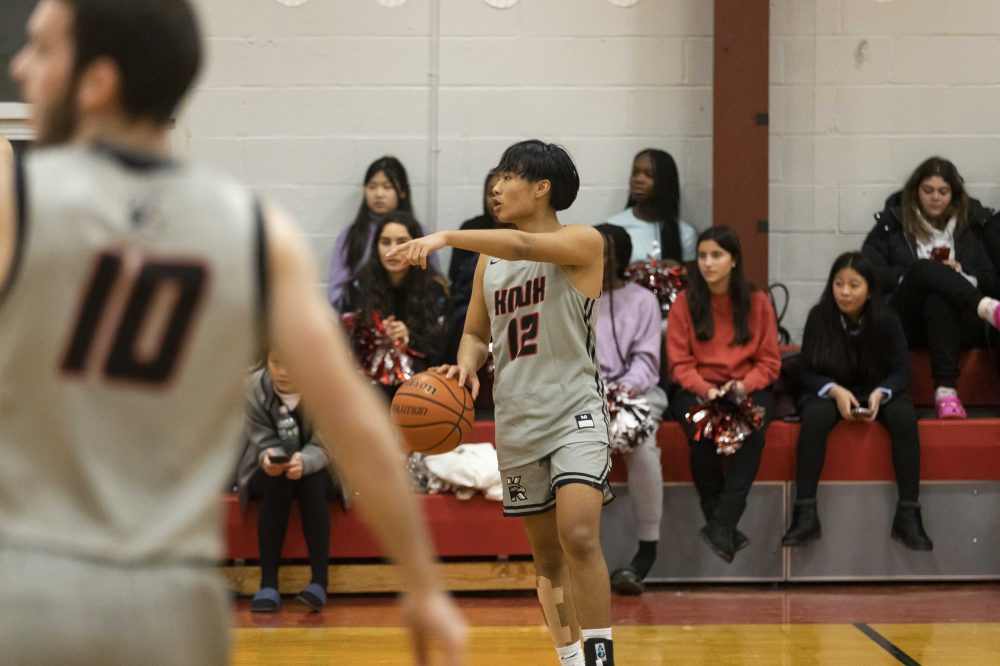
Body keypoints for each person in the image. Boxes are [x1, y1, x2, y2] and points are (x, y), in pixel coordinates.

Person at [0, 2, 466, 664]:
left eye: (41, 48)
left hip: (31, 589)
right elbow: (356, 423)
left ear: (99, 81)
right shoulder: (254, 231)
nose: (20, 66)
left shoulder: (18, 201)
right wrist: (423, 588)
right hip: (174, 606)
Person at [390, 140, 616, 666]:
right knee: (546, 557)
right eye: (494, 177)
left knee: (579, 533)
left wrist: (445, 235)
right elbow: (475, 330)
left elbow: (521, 245)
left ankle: (601, 660)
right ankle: (570, 658)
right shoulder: (488, 264)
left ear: (543, 188)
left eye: (508, 176)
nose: (496, 186)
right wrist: (466, 365)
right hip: (517, 419)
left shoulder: (583, 242)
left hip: (574, 411)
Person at [782, 252, 932, 551]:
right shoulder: (819, 316)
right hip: (831, 388)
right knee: (814, 417)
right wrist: (834, 391)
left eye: (854, 285)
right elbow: (806, 369)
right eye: (839, 284)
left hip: (877, 390)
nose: (845, 292)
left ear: (869, 289)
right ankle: (805, 513)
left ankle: (909, 514)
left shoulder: (888, 319)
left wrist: (881, 393)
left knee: (905, 417)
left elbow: (902, 371)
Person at [666, 226, 781, 563]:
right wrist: (709, 390)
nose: (708, 263)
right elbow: (679, 364)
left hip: (746, 386)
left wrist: (741, 386)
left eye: (716, 255)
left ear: (733, 260)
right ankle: (721, 524)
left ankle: (722, 522)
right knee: (701, 435)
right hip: (698, 388)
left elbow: (769, 362)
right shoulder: (686, 302)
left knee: (753, 433)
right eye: (702, 256)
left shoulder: (757, 301)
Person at [861, 156, 1000, 419]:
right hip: (906, 321)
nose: (935, 198)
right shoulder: (892, 224)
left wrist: (963, 275)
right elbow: (868, 272)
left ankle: (946, 392)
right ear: (915, 191)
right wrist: (911, 275)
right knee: (924, 269)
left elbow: (992, 278)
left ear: (954, 194)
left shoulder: (973, 226)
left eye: (943, 192)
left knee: (939, 296)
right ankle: (989, 309)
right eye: (928, 191)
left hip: (959, 322)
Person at [237, 352, 345, 613]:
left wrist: (304, 462)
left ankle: (319, 582)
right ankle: (268, 584)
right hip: (267, 467)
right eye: (276, 362)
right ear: (267, 362)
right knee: (277, 482)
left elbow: (326, 442)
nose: (284, 371)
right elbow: (259, 436)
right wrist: (269, 456)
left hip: (320, 466)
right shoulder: (252, 388)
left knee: (313, 483)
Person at [593, 224, 667, 596]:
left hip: (637, 392)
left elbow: (647, 361)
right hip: (587, 394)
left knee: (644, 448)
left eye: (604, 252)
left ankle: (646, 552)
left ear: (619, 258)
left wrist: (622, 390)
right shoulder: (575, 296)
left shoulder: (643, 301)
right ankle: (587, 556)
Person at [340, 212, 448, 398]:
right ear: (376, 246)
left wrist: (409, 339)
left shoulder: (435, 288)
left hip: (419, 380)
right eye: (385, 242)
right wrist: (376, 337)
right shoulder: (358, 285)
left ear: (416, 244)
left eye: (401, 242)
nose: (392, 250)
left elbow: (443, 353)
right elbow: (345, 346)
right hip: (368, 378)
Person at [326, 155, 438, 309]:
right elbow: (336, 292)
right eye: (372, 186)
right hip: (363, 314)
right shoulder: (351, 235)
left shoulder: (421, 234)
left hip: (412, 316)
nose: (379, 194)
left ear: (403, 191)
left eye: (387, 187)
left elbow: (433, 283)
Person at [444, 171, 501, 363]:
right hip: (471, 306)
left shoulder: (528, 235)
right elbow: (456, 276)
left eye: (501, 193)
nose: (495, 199)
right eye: (491, 193)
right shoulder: (472, 227)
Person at [605, 148, 697, 265]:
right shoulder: (614, 228)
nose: (638, 179)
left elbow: (692, 282)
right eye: (635, 172)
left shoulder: (685, 234)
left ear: (666, 182)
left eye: (649, 175)